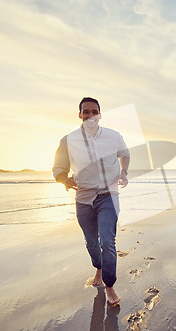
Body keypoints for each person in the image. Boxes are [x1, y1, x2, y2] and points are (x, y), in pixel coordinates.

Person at [52, 97, 130, 306]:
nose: (90, 115)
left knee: (107, 240)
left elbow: (125, 154)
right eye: (85, 112)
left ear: (99, 114)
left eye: (94, 111)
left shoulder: (113, 136)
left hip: (108, 196)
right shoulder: (68, 140)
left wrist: (124, 172)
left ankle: (110, 285)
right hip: (84, 198)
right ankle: (98, 267)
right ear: (80, 115)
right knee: (91, 242)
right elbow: (59, 167)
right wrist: (63, 179)